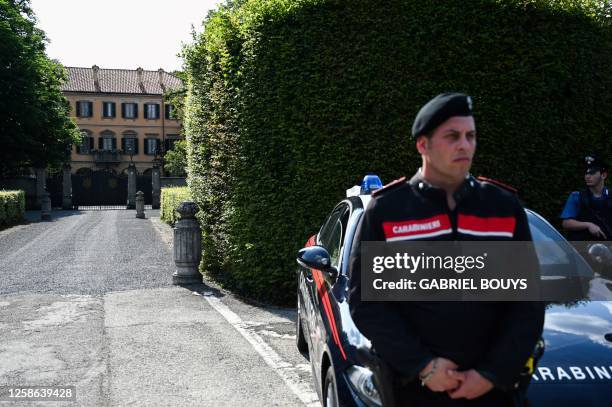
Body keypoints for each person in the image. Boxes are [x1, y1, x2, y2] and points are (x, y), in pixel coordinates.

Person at [348, 93, 545, 406]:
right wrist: (424, 367)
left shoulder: (503, 207)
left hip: (493, 392)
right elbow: (368, 304)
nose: (464, 145)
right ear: (423, 145)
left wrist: (491, 373)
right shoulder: (389, 211)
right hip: (416, 390)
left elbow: (528, 304)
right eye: (452, 136)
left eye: (470, 136)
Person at [560, 156, 612, 241]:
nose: (587, 176)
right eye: (586, 173)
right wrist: (588, 225)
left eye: (592, 173)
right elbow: (566, 223)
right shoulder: (576, 196)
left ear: (603, 175)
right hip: (582, 249)